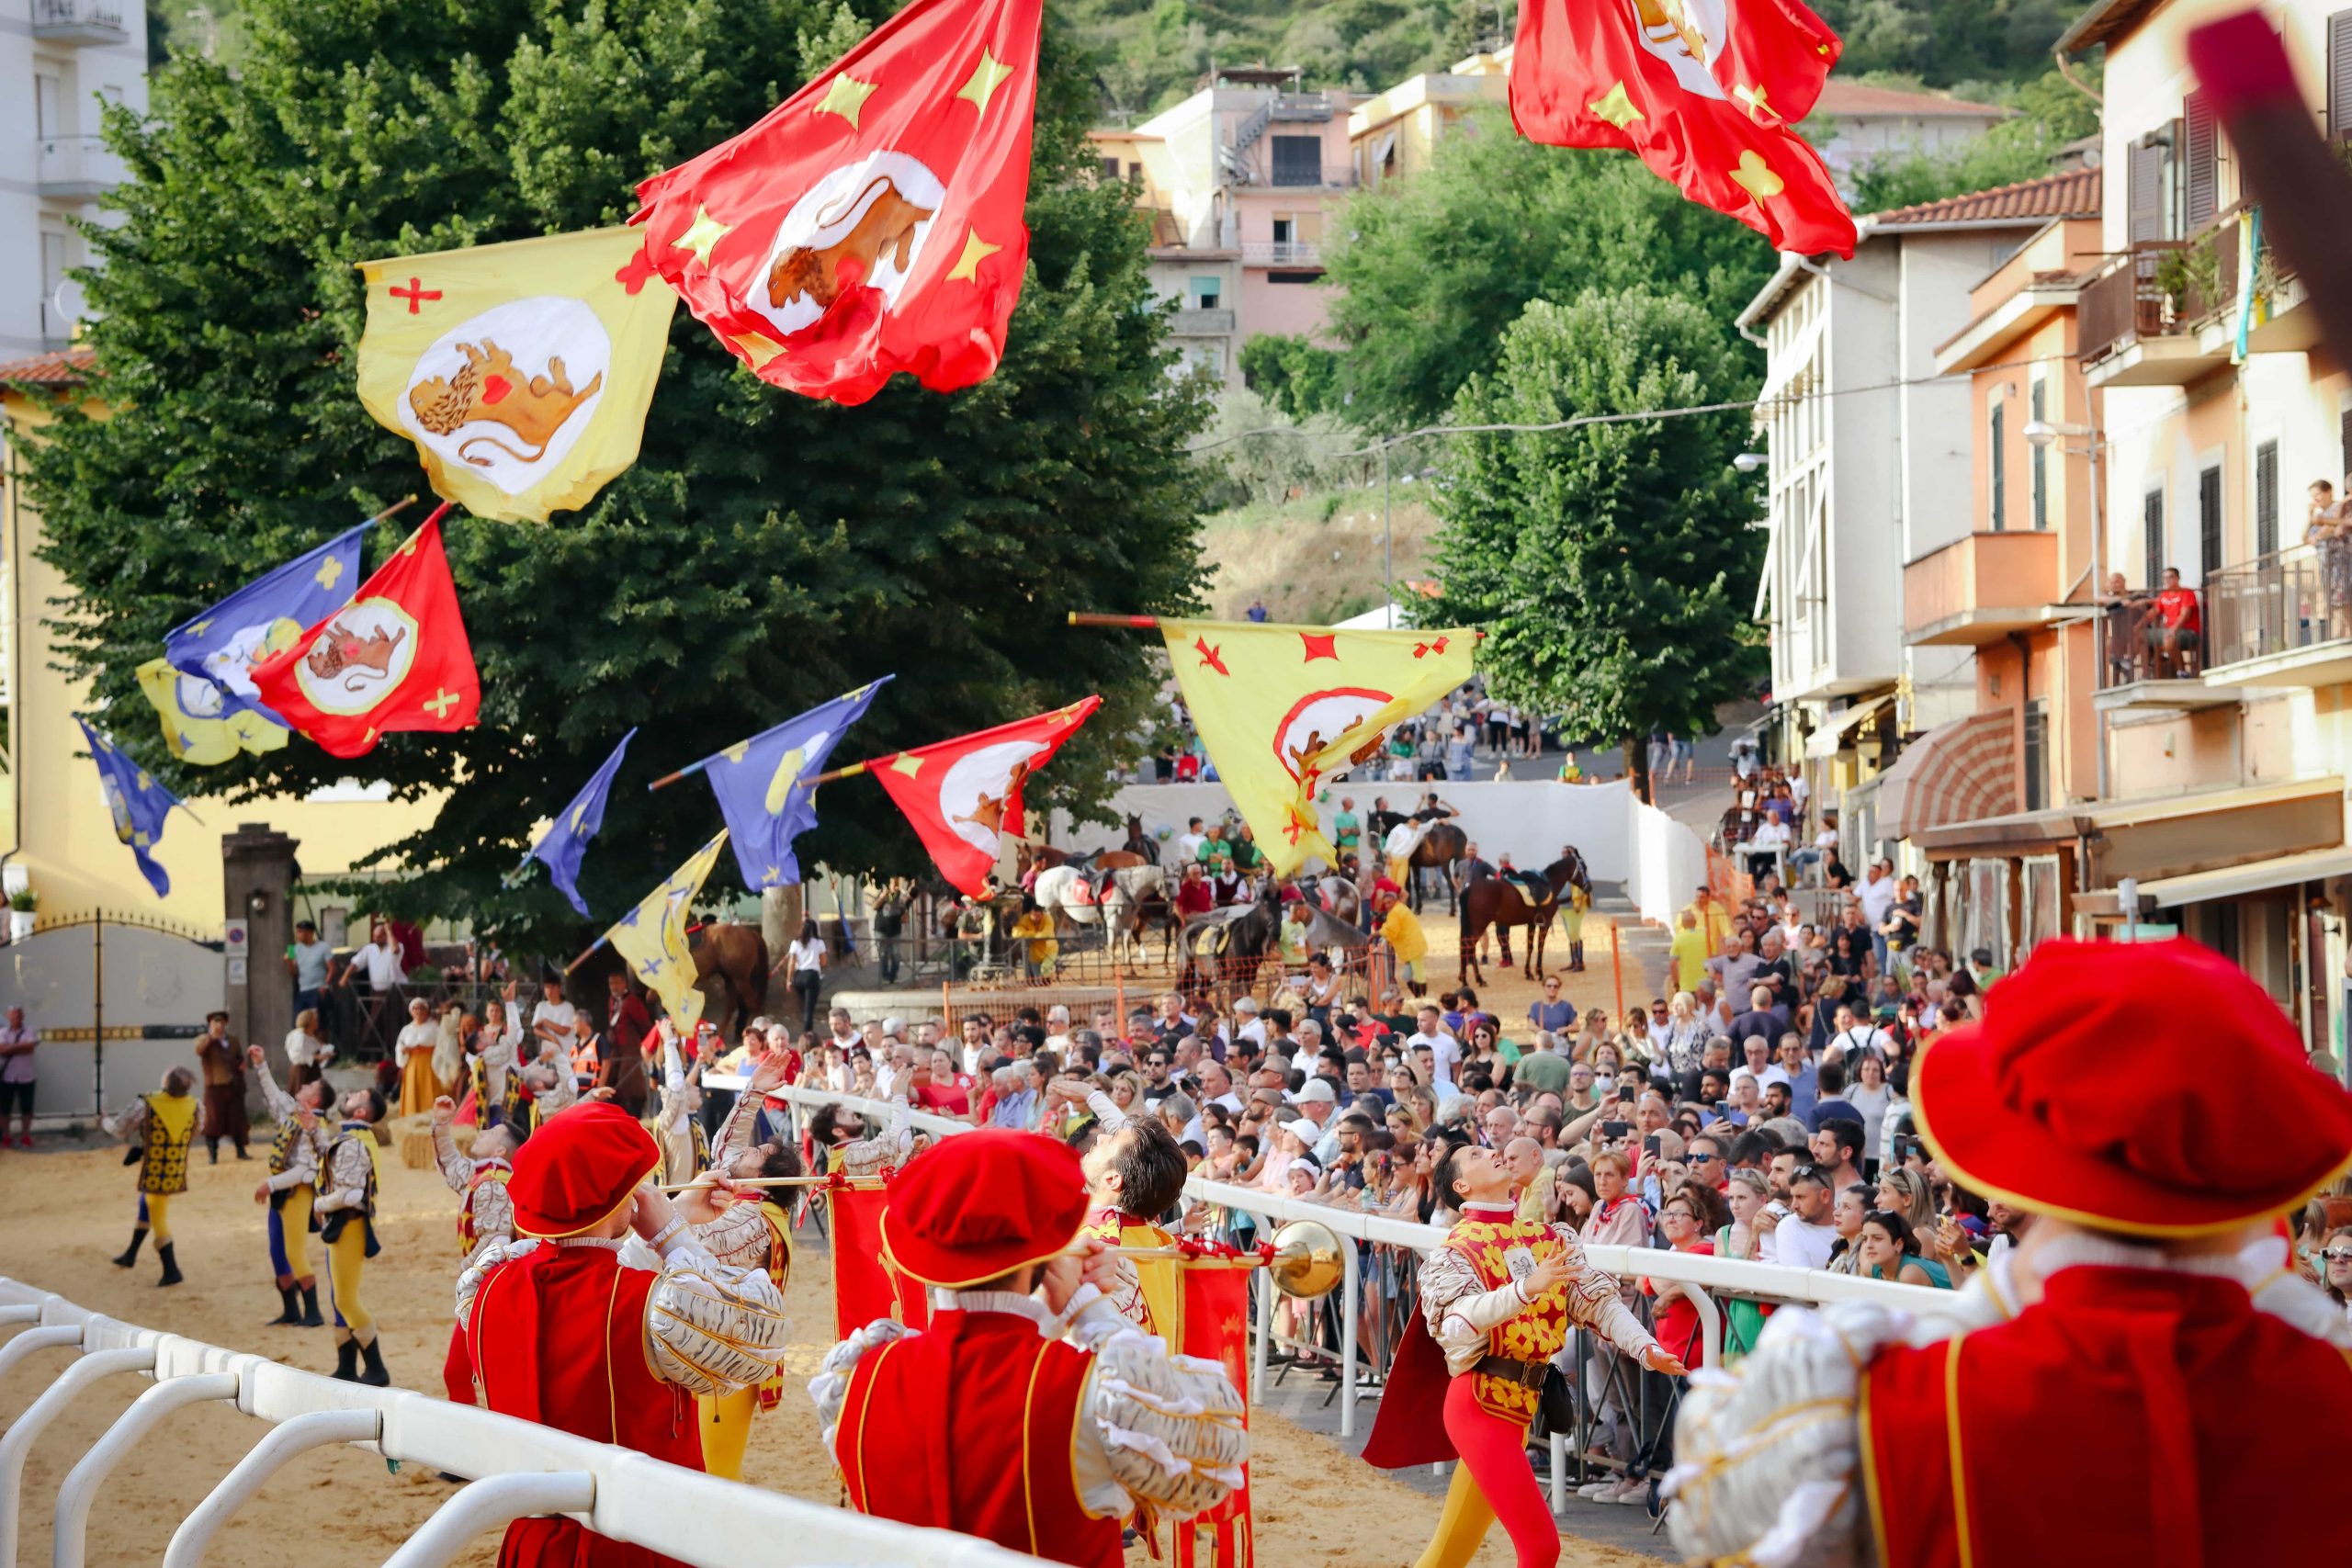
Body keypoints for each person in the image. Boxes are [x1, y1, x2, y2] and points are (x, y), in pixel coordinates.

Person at [1668, 937, 2352, 1567]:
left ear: (2029, 1163)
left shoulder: (1892, 1402)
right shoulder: (2330, 1379)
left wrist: (1972, 1315)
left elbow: (1709, 1506)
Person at [809, 1130, 1246, 1564]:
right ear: (1046, 1251)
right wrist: (1088, 1309)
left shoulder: (858, 1377)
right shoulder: (1087, 1391)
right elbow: (1211, 1456)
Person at [459, 1101, 791, 1562]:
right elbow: (759, 1332)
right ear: (624, 1198)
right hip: (639, 1543)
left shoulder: (488, 1286)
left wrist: (673, 1216)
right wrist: (673, 1234)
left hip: (535, 1545)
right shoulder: (649, 1304)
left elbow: (584, 1280)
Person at [1364, 1142, 1683, 1559]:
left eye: (1487, 1149)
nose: (1492, 1153)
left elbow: (1597, 1303)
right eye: (1477, 1156)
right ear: (1461, 1185)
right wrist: (1526, 1288)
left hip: (1518, 1406)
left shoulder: (1548, 1236)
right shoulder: (1453, 1253)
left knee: (1450, 1550)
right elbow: (1457, 1325)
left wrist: (1644, 1347)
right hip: (1478, 1405)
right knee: (1540, 1547)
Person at [249, 1044, 331, 1327]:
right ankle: (292, 1310)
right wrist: (261, 1065)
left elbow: (306, 1170)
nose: (304, 1085)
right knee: (277, 1252)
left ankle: (313, 1313)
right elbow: (274, 1096)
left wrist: (269, 1184)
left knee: (294, 1252)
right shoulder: (295, 1113)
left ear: (316, 1098)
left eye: (310, 1085)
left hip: (297, 1193)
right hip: (283, 1192)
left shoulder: (315, 1125)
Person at [106, 1066, 200, 1285]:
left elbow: (118, 1129)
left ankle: (172, 1270)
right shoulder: (195, 1106)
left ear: (165, 1084)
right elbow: (196, 1130)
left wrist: (103, 1121)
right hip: (174, 1168)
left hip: (155, 1167)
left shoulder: (146, 1103)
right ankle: (130, 1254)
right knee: (147, 1205)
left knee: (158, 1215)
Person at [194, 1010, 250, 1162]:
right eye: (215, 1023)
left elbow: (239, 1057)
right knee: (213, 1121)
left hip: (233, 1085)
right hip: (215, 1085)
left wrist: (241, 1065)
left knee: (237, 1119)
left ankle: (241, 1150)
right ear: (210, 1025)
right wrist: (212, 1038)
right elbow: (200, 1052)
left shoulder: (233, 1040)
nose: (219, 1026)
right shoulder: (203, 1040)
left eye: (221, 1023)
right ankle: (213, 1154)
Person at [600, 970, 652, 1114]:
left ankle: (635, 1112)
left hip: (630, 1048)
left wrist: (644, 1046)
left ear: (624, 983)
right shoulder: (612, 1001)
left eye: (617, 983)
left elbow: (644, 1024)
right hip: (615, 1049)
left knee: (630, 1082)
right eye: (611, 983)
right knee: (613, 1080)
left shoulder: (632, 1001)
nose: (614, 986)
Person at [394, 996, 442, 1117]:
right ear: (411, 1011)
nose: (418, 1011)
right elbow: (400, 1045)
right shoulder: (406, 1030)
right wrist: (403, 1051)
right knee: (412, 1092)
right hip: (412, 1065)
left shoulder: (434, 1027)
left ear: (427, 1011)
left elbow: (441, 1046)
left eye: (421, 1008)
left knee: (429, 1090)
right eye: (415, 1008)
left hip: (429, 1064)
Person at [0, 1006, 37, 1147]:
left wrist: (10, 1047)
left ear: (22, 1017)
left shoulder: (30, 1031)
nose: (16, 1018)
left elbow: (30, 1048)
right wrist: (20, 1046)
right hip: (7, 1077)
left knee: (27, 1109)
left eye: (18, 1015)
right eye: (13, 1015)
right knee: (4, 1110)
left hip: (26, 1077)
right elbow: (1, 1050)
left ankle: (26, 1135)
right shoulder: (2, 1032)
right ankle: (6, 1136)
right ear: (8, 1017)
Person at [786, 918, 826, 1030]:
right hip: (812, 976)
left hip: (798, 976)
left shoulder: (795, 943)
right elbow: (823, 962)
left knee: (804, 1004)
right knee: (809, 1008)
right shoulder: (819, 943)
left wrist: (789, 980)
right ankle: (807, 1033)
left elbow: (791, 963)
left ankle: (803, 1023)